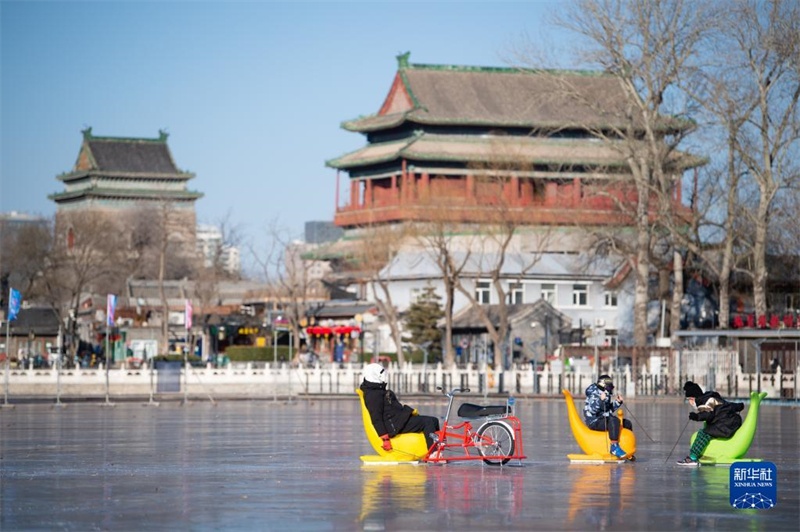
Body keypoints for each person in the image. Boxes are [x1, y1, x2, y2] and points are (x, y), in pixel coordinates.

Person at [360, 363, 440, 451]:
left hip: (397, 420)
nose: (384, 375)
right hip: (394, 426)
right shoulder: (373, 395)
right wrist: (385, 439)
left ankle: (438, 446)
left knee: (434, 420)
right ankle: (433, 453)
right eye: (381, 373)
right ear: (374, 375)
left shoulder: (376, 389)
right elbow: (376, 419)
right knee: (427, 422)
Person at [677, 381, 744, 466]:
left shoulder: (704, 402)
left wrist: (696, 416)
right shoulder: (711, 398)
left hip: (725, 425)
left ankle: (693, 457)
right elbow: (728, 405)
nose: (689, 402)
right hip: (732, 422)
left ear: (693, 398)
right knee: (708, 430)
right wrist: (739, 406)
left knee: (703, 434)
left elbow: (707, 414)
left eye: (689, 399)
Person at [583, 374, 632, 459]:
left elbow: (607, 410)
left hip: (604, 419)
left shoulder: (605, 393)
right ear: (603, 386)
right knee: (614, 420)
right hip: (594, 421)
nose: (610, 390)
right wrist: (600, 400)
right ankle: (614, 447)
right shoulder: (593, 393)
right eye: (609, 388)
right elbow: (592, 410)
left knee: (626, 423)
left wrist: (617, 402)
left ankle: (627, 446)